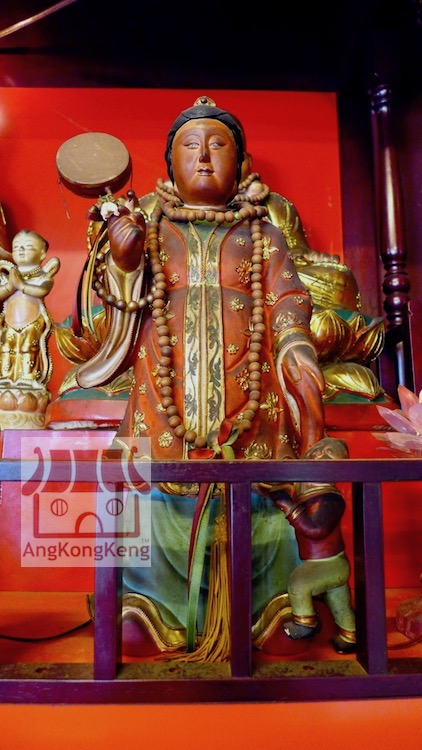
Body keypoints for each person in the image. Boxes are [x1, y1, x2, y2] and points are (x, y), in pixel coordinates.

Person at [58, 96, 353, 659]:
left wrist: (295, 343)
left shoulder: (264, 228)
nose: (204, 156)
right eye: (190, 146)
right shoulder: (148, 223)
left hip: (252, 396)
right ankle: (151, 607)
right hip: (164, 393)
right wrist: (122, 260)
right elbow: (116, 306)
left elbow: (290, 295)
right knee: (149, 497)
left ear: (241, 163)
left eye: (218, 145)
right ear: (169, 164)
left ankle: (267, 607)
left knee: (265, 491)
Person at [269, 437, 356, 654]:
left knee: (299, 583)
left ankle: (306, 624)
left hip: (330, 563)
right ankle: (350, 635)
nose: (319, 454)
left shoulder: (331, 499)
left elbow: (316, 530)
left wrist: (289, 507)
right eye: (318, 449)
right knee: (339, 603)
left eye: (328, 455)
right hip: (327, 563)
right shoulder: (306, 492)